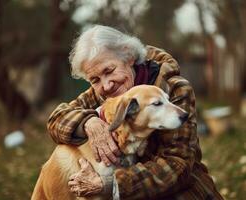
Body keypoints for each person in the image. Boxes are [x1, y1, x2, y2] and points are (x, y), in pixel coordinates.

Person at [47, 25, 223, 200]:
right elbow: (56, 119)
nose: (107, 85)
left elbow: (177, 165)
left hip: (180, 191)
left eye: (109, 70)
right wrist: (89, 122)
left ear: (129, 57)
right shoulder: (103, 92)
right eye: (95, 79)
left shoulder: (173, 88)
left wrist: (110, 184)